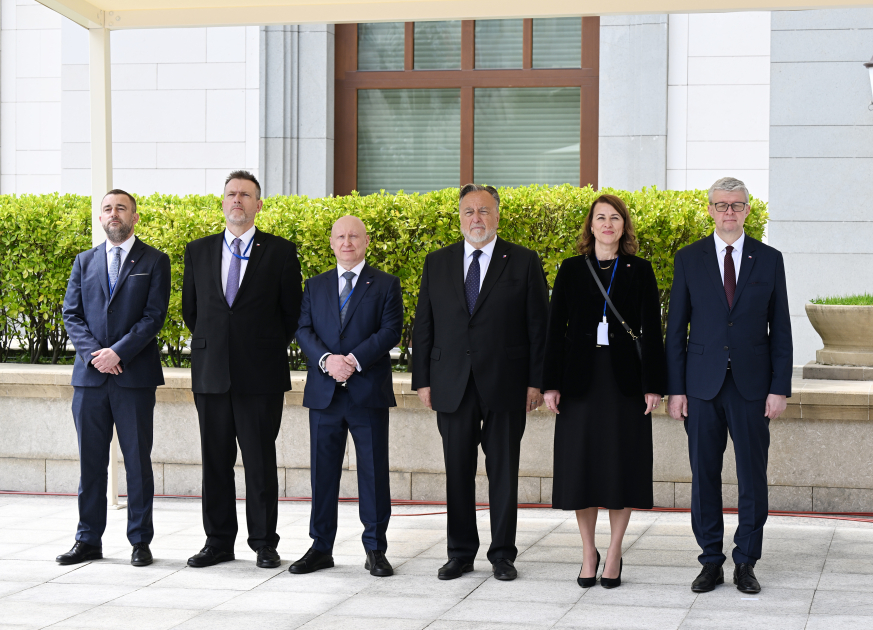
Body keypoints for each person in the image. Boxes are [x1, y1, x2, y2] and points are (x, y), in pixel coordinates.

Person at [412, 184, 549, 582]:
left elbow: (539, 326)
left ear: (497, 216)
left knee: (503, 471)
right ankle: (460, 553)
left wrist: (536, 382)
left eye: (484, 211)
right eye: (469, 211)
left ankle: (503, 554)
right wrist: (423, 379)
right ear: (460, 217)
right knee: (457, 470)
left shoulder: (523, 261)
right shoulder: (437, 262)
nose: (477, 218)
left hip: (507, 383)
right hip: (451, 382)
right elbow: (424, 325)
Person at [665, 177, 792, 595]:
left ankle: (746, 562)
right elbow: (676, 329)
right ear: (710, 210)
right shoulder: (689, 258)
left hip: (754, 387)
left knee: (752, 477)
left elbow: (782, 330)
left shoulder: (769, 259)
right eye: (721, 205)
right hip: (701, 386)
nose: (729, 212)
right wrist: (676, 389)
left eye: (737, 205)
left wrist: (780, 388)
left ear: (748, 211)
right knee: (704, 475)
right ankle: (710, 562)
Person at [542, 194, 667, 589]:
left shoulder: (640, 270)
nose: (608, 224)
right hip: (578, 382)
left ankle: (613, 552)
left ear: (623, 226)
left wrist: (653, 386)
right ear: (590, 226)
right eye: (601, 218)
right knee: (581, 469)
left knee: (620, 467)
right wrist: (550, 384)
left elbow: (652, 331)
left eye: (615, 218)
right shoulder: (571, 269)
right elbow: (554, 331)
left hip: (625, 385)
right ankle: (587, 552)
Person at [182, 170, 303, 569]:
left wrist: (259, 347)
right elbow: (192, 311)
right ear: (223, 202)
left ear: (259, 204)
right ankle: (217, 542)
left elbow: (290, 315)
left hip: (260, 375)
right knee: (214, 462)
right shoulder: (198, 251)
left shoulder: (281, 252)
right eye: (231, 194)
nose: (238, 200)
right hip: (211, 373)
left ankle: (264, 542)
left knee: (260, 463)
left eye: (246, 195)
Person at [59, 189, 171, 567]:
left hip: (133, 378)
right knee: (91, 463)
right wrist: (97, 355)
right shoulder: (84, 261)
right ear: (101, 217)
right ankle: (88, 539)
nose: (113, 214)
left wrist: (118, 352)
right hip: (90, 380)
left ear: (134, 217)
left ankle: (140, 541)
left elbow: (153, 317)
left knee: (138, 461)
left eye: (121, 208)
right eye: (107, 209)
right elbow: (71, 314)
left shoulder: (155, 261)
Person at [290, 215, 403, 577]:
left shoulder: (385, 284)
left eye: (354, 235)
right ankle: (321, 547)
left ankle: (375, 549)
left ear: (366, 241)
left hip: (366, 392)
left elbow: (391, 331)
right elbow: (303, 329)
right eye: (340, 236)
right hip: (324, 395)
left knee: (373, 474)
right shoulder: (315, 285)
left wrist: (352, 361)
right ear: (331, 242)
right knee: (323, 474)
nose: (347, 242)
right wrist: (327, 361)